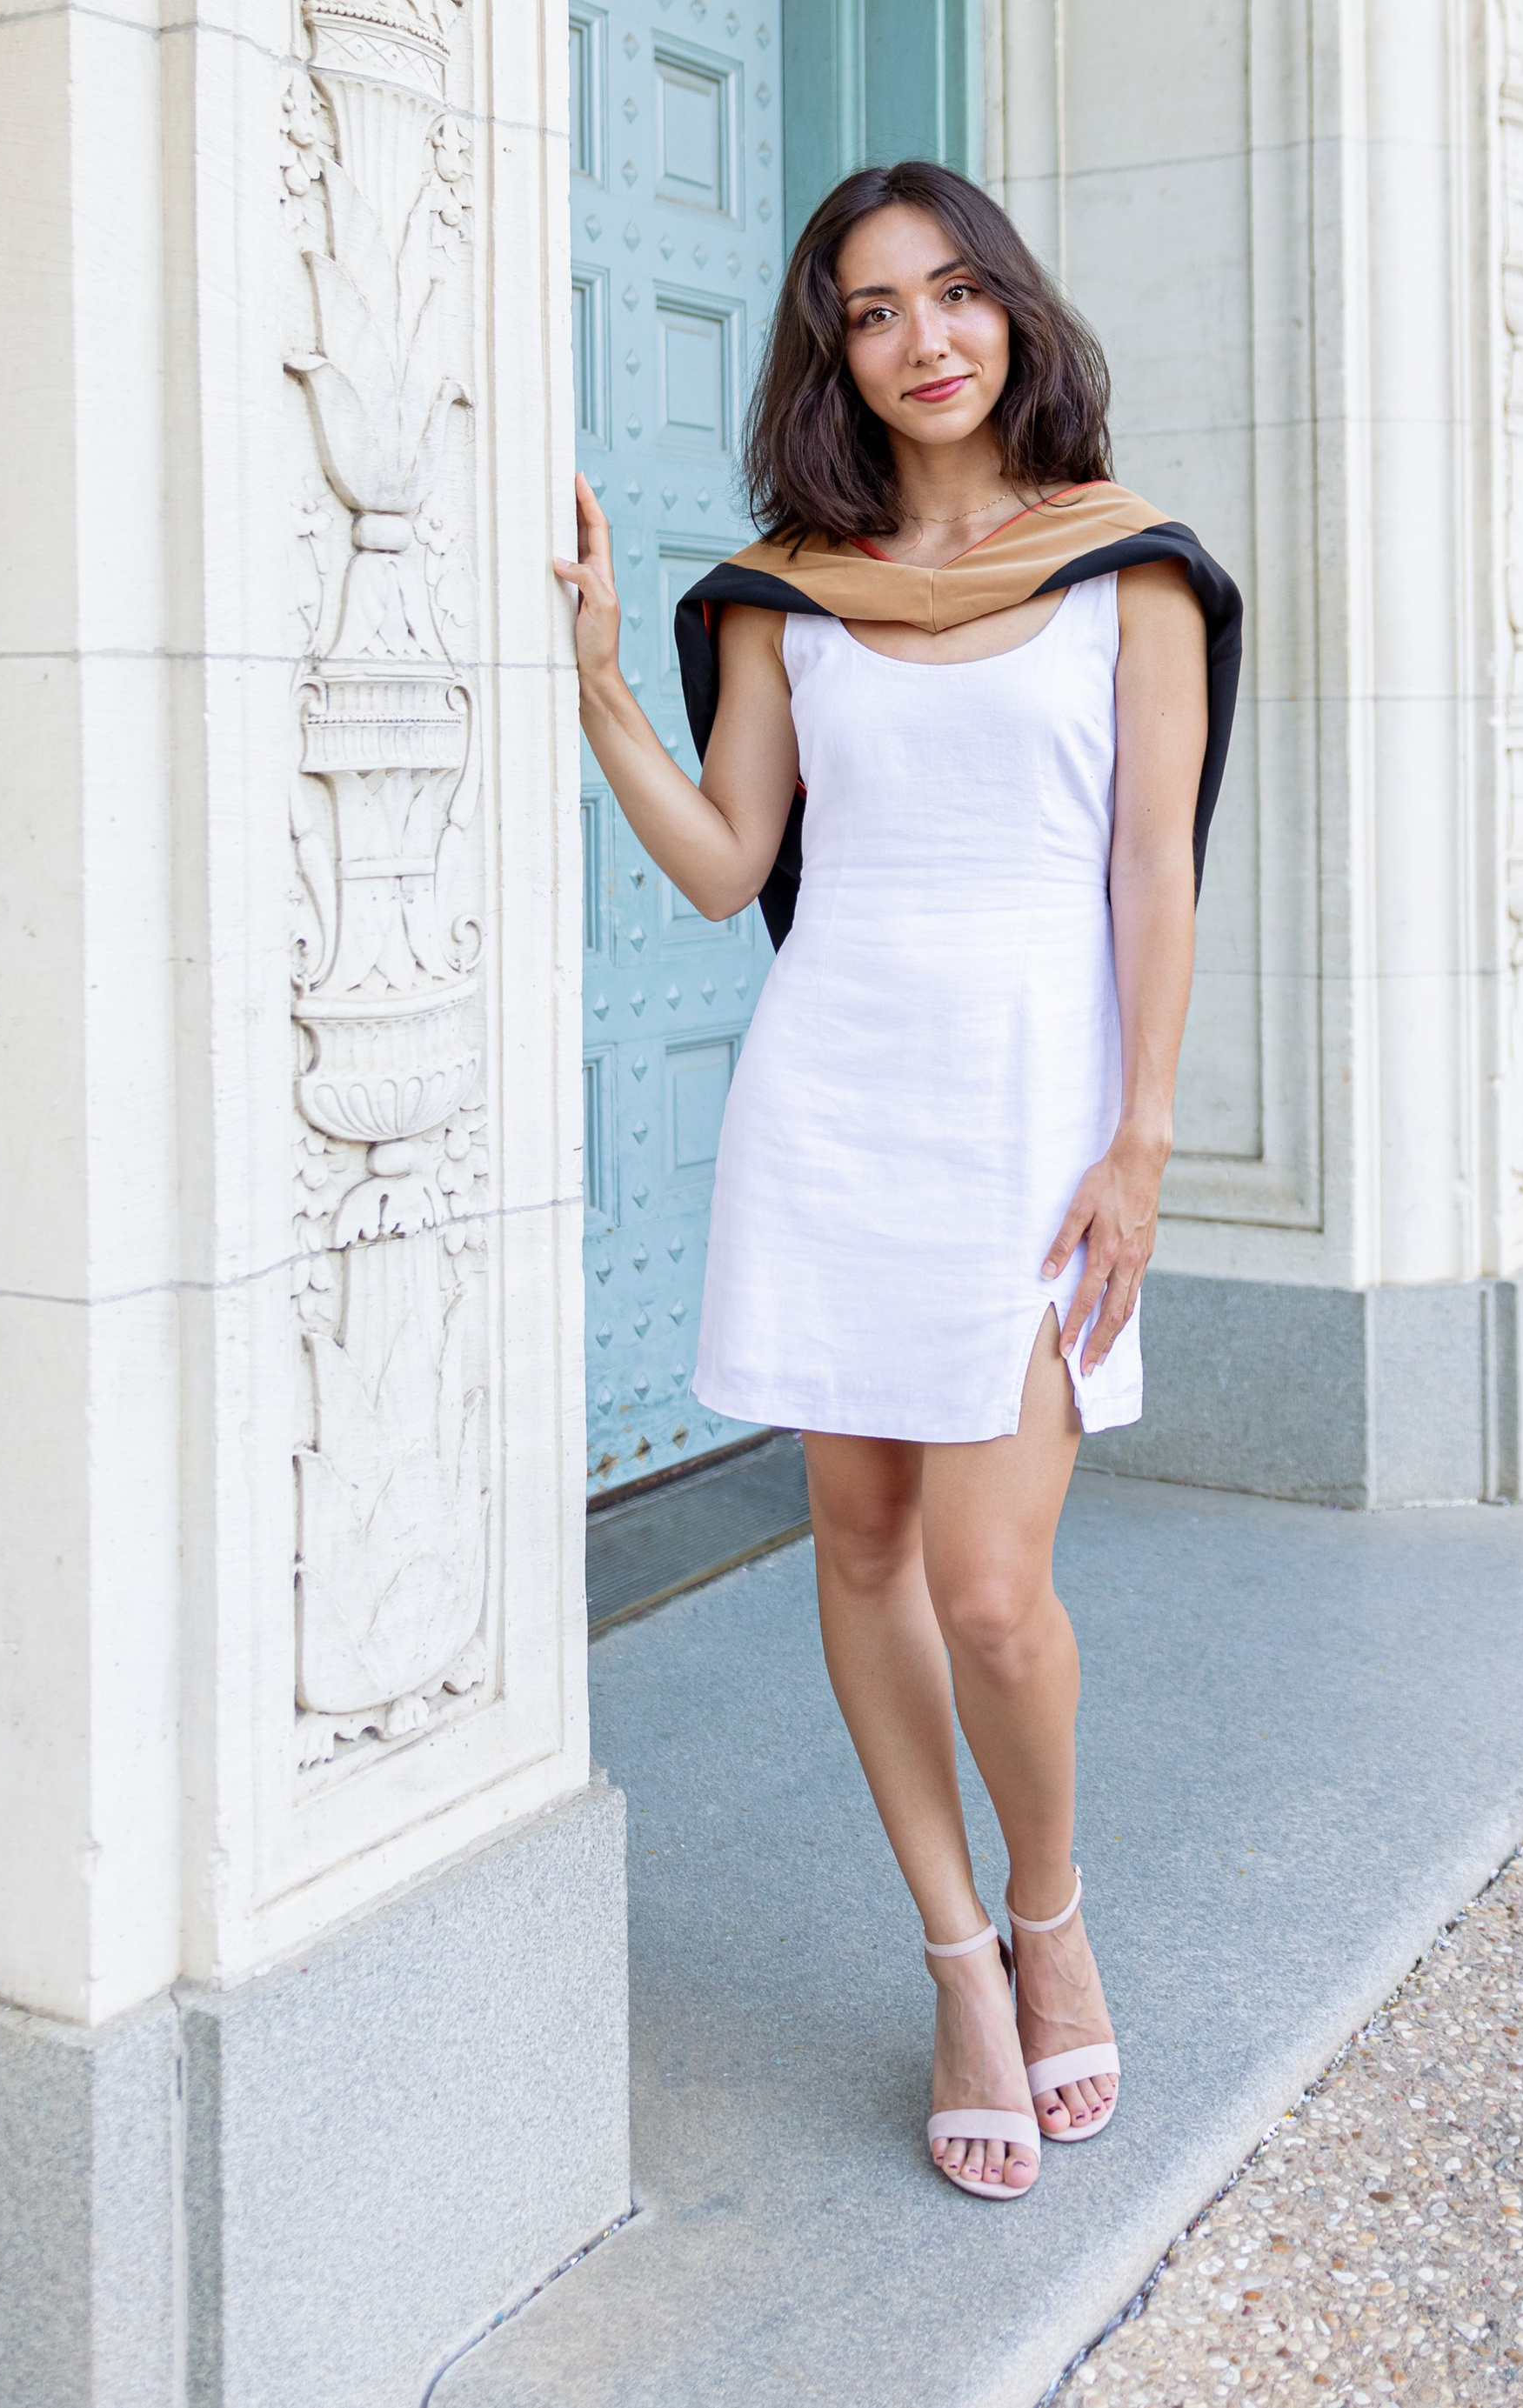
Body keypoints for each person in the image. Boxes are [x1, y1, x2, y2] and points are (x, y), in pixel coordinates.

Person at [555, 160, 1240, 2202]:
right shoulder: (791, 593)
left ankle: (1049, 1901)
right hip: (834, 1099)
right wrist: (599, 679)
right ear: (830, 351)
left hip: (1036, 1113)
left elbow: (1150, 870)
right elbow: (728, 866)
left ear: (1011, 314)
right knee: (855, 1548)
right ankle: (956, 1962)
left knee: (991, 1588)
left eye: (955, 294)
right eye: (873, 309)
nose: (925, 337)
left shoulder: (1128, 567)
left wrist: (1141, 1140)